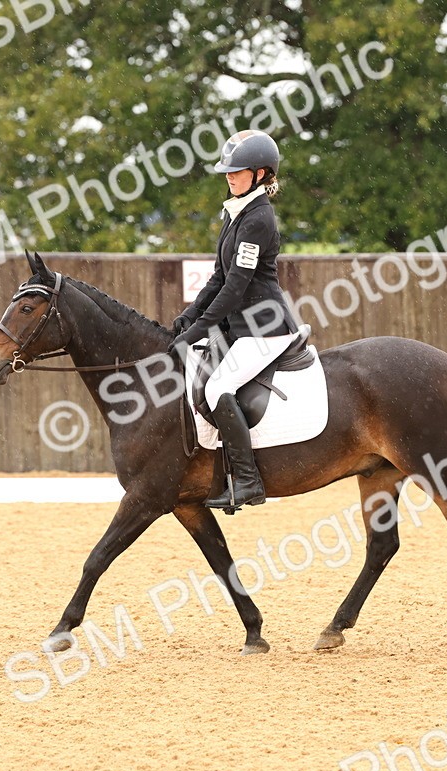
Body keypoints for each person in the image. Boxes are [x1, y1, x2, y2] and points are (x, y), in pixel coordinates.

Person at [167, 129, 301, 511]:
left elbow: (236, 289)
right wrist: (189, 315)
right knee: (204, 381)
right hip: (241, 328)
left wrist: (197, 329)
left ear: (261, 174)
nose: (230, 175)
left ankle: (247, 481)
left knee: (215, 389)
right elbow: (218, 278)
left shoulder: (258, 219)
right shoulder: (235, 212)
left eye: (238, 170)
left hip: (266, 327)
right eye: (228, 170)